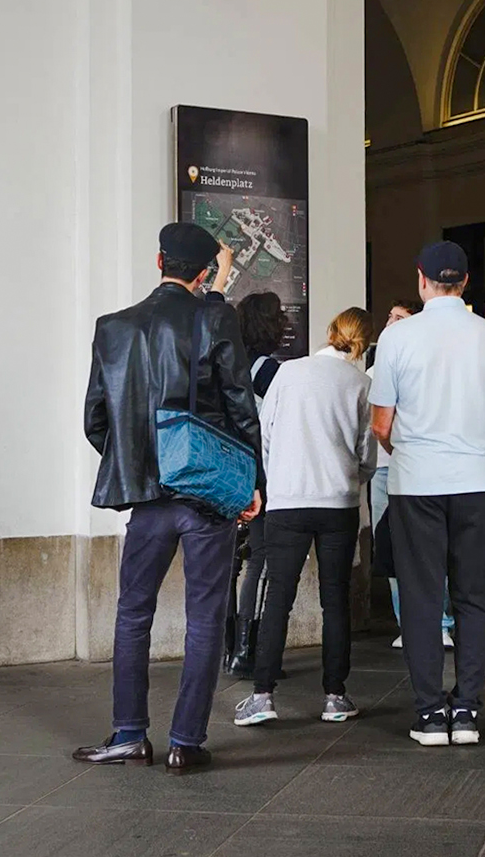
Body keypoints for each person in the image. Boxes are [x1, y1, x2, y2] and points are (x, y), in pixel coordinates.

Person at [75, 221, 263, 774]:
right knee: (205, 618)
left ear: (160, 262)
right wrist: (252, 482)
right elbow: (240, 406)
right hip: (207, 495)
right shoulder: (215, 317)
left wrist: (138, 460)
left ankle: (129, 735)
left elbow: (94, 420)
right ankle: (186, 742)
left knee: (133, 612)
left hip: (148, 501)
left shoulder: (113, 328)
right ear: (203, 273)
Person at [371, 241, 485, 747]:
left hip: (417, 483)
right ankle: (469, 712)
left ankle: (431, 713)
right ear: (467, 282)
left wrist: (409, 445)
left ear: (421, 279)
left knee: (422, 597)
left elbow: (381, 422)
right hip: (477, 481)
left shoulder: (397, 338)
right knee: (475, 597)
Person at [234, 308, 377, 727]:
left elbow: (266, 434)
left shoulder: (289, 373)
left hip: (288, 501)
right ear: (363, 344)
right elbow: (366, 452)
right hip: (339, 503)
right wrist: (353, 478)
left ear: (330, 333)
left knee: (279, 593)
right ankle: (335, 696)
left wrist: (278, 478)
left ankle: (262, 695)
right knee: (335, 599)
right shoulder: (361, 384)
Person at [369, 300, 456, 650]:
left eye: (401, 317)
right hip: (383, 471)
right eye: (389, 315)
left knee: (432, 547)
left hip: (420, 469)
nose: (391, 321)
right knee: (391, 549)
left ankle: (442, 622)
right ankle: (409, 624)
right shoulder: (373, 369)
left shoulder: (427, 368)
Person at [226, 291, 290, 677]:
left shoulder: (231, 364)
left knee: (231, 565)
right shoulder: (268, 370)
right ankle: (247, 651)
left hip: (229, 472)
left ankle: (228, 648)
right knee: (260, 559)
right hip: (260, 473)